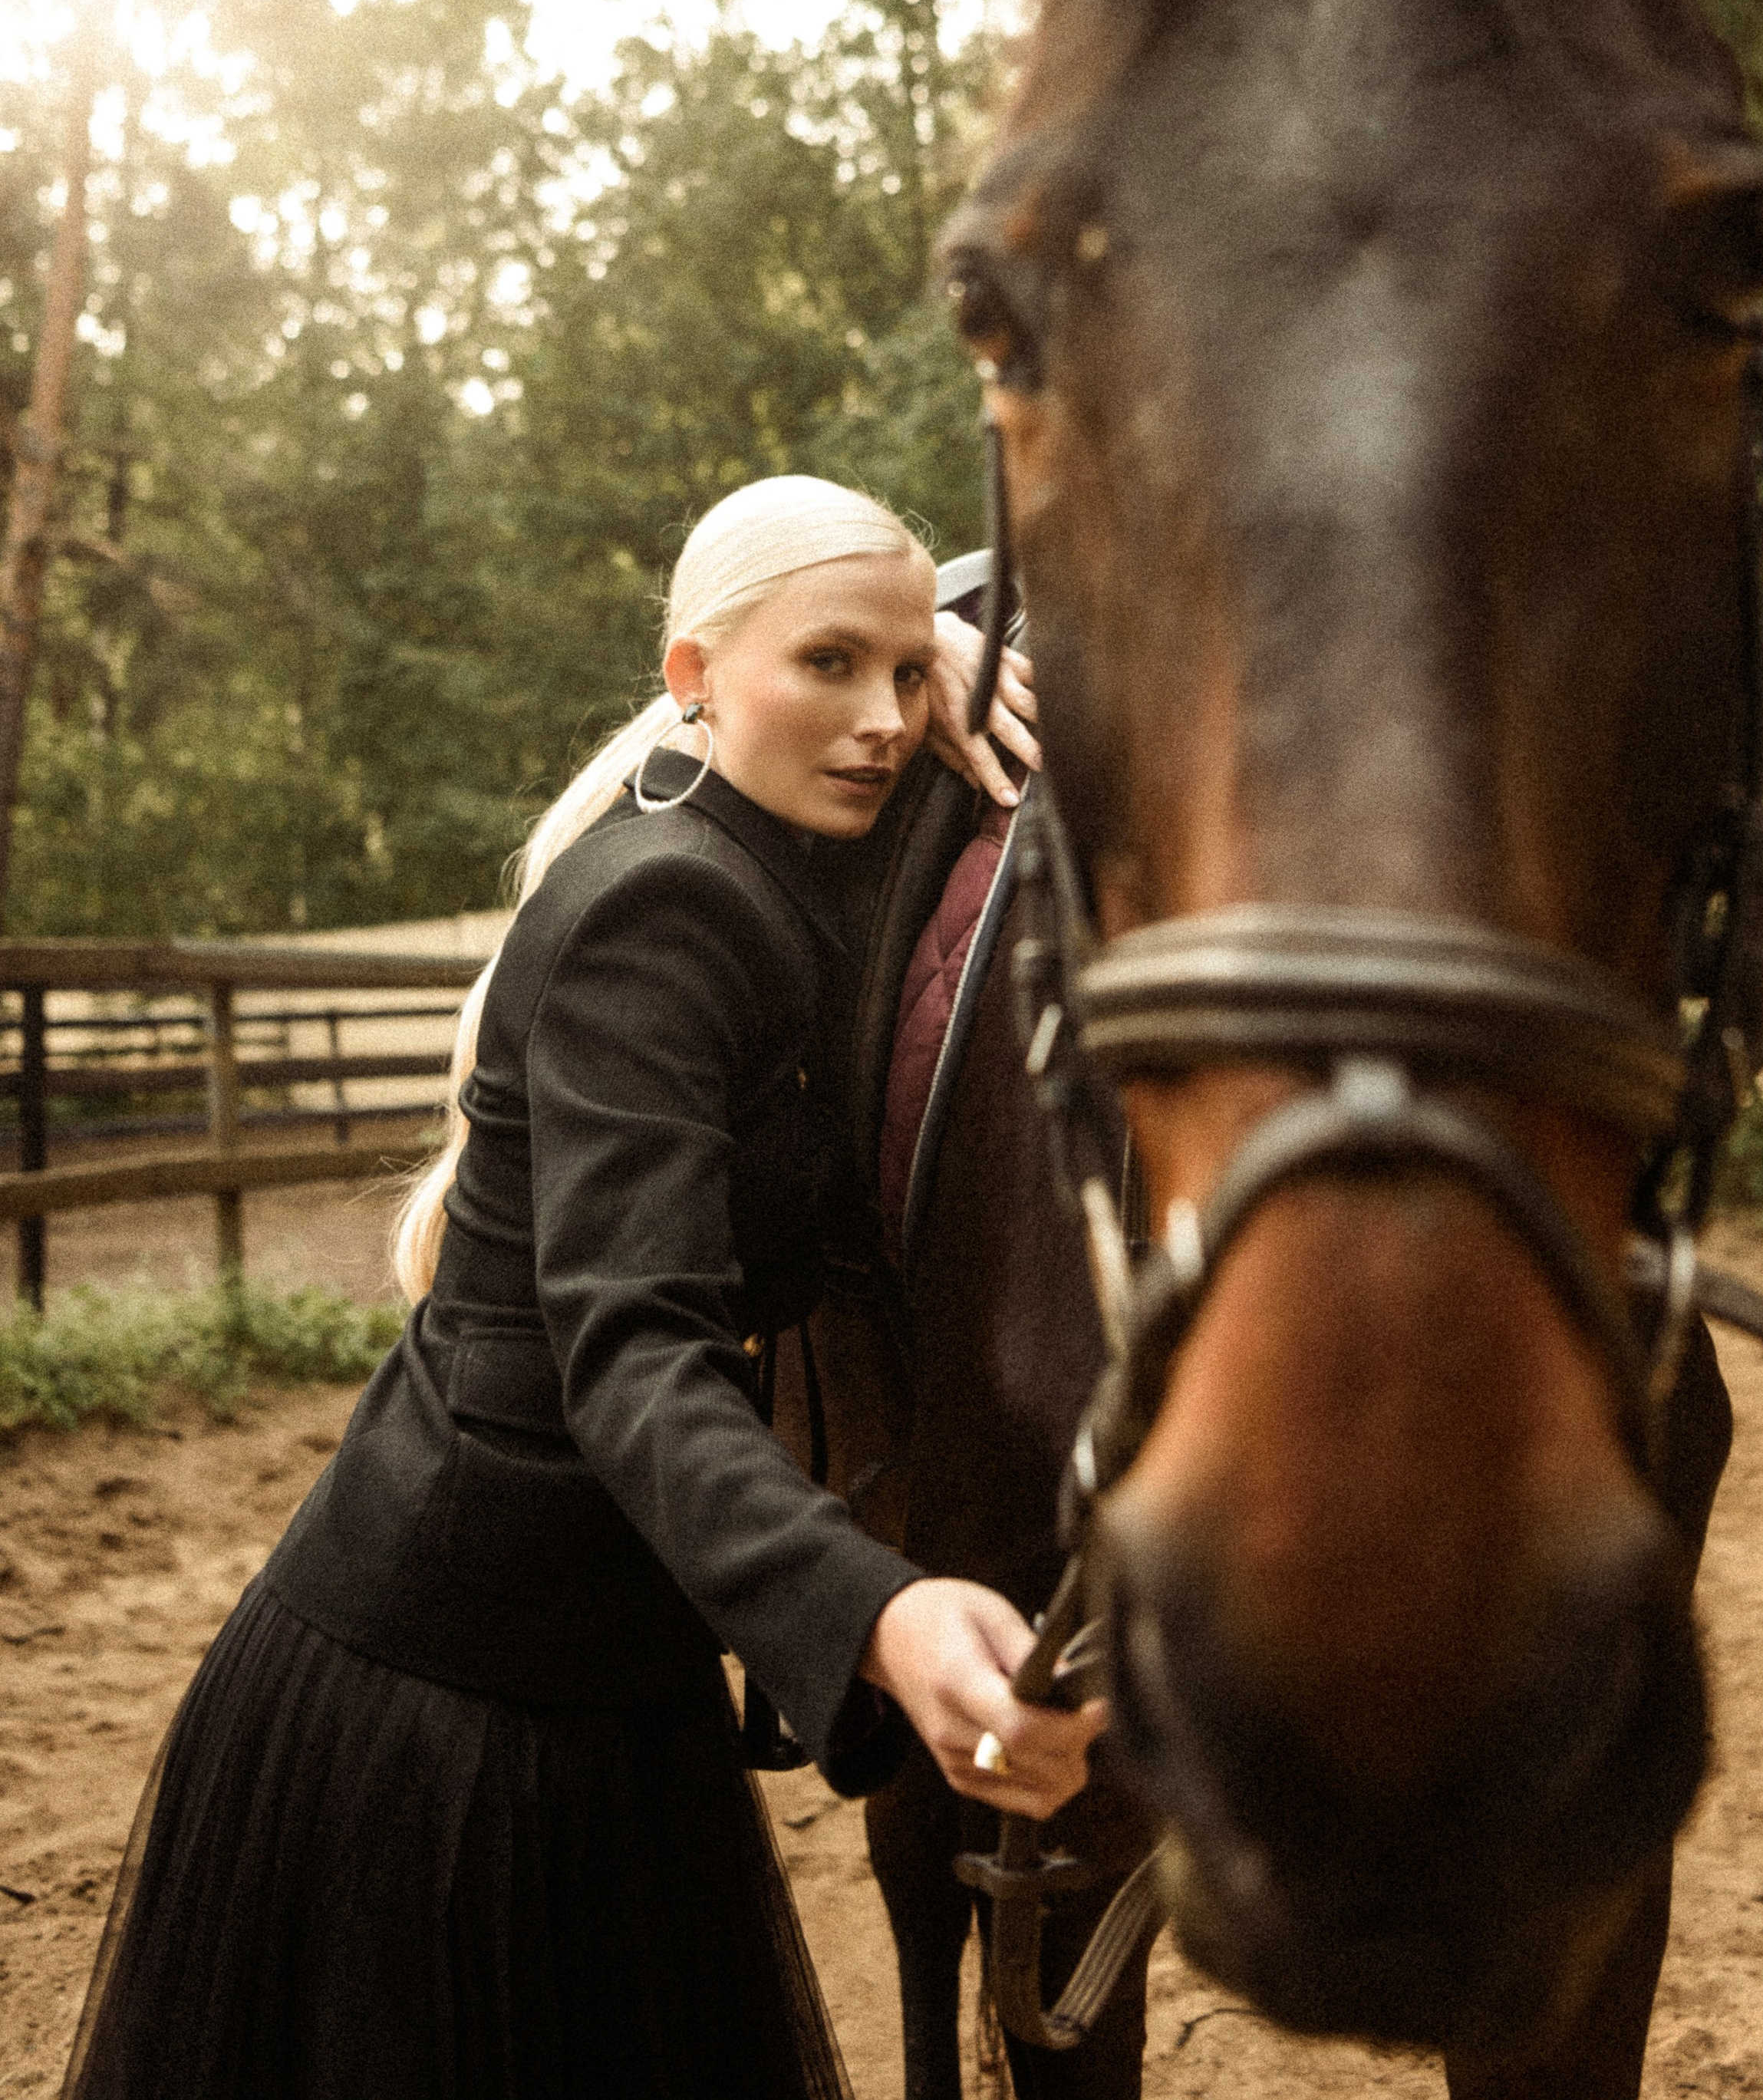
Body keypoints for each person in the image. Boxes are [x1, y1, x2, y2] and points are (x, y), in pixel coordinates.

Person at [64, 475, 1099, 2100]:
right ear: (687, 676)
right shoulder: (662, 909)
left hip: (600, 1687)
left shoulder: (747, 852)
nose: (884, 720)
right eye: (824, 665)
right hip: (453, 1711)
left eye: (904, 679)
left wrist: (941, 628)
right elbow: (633, 1358)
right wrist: (878, 1609)